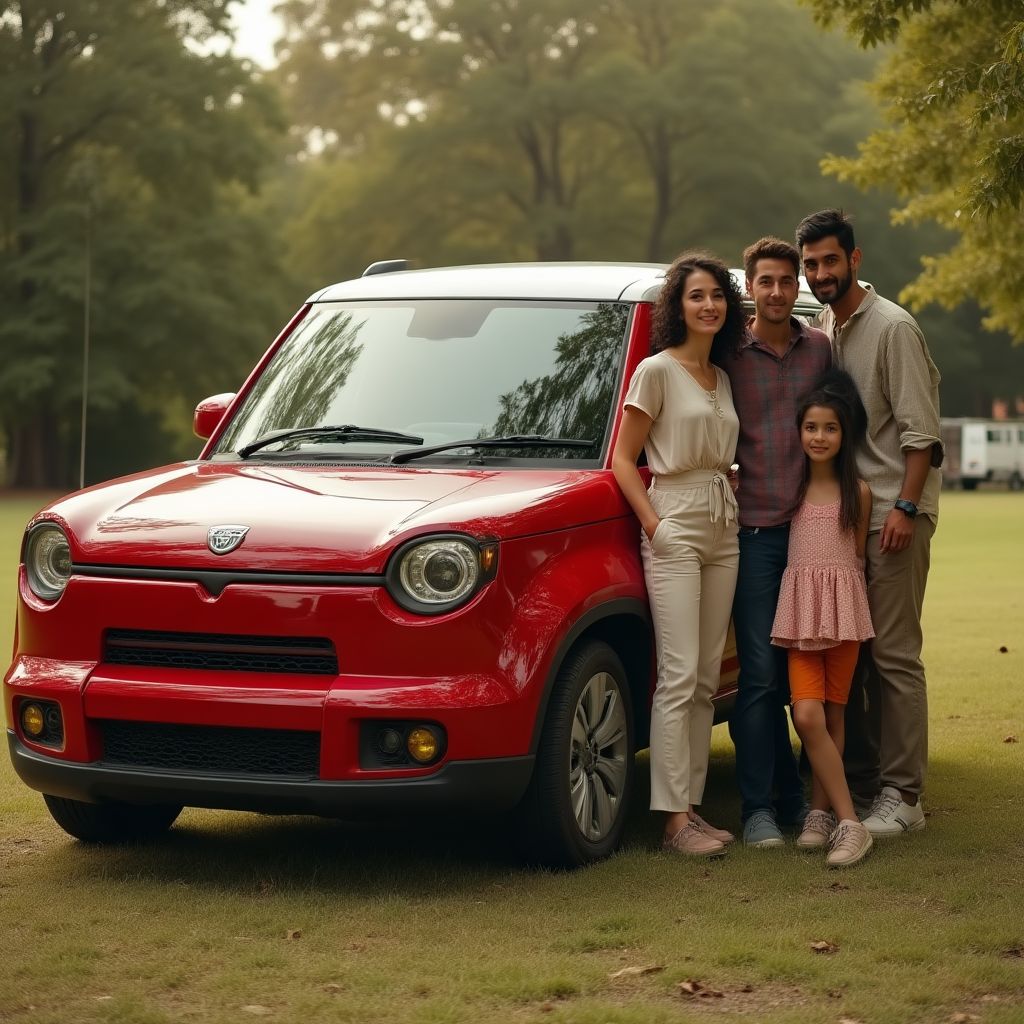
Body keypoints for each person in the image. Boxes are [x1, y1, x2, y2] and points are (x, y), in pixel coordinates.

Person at [796, 209, 942, 838]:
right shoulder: (826, 326)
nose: (820, 273)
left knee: (894, 657)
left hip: (892, 516)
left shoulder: (892, 328)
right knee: (848, 654)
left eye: (830, 260)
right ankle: (857, 782)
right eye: (811, 264)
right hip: (846, 519)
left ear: (854, 260)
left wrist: (906, 508)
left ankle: (904, 795)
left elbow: (921, 433)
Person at [612, 251, 746, 857]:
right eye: (696, 295)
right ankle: (671, 821)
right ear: (678, 305)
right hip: (675, 522)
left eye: (716, 295)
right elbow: (624, 459)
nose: (708, 305)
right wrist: (654, 524)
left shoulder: (721, 376)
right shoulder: (656, 370)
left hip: (723, 524)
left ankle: (691, 809)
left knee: (706, 676)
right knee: (679, 671)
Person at [720, 237, 831, 848]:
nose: (778, 291)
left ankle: (800, 796)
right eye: (766, 281)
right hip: (755, 535)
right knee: (760, 674)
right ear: (749, 286)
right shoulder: (729, 355)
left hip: (813, 533)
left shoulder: (820, 350)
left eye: (788, 281)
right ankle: (758, 809)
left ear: (797, 287)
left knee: (806, 670)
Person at [770, 369, 875, 867]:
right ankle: (852, 821)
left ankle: (819, 813)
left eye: (830, 428)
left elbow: (858, 559)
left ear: (844, 434)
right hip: (801, 616)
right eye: (811, 427)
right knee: (807, 715)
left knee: (834, 715)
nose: (819, 436)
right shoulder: (790, 492)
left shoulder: (859, 493)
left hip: (844, 615)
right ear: (799, 432)